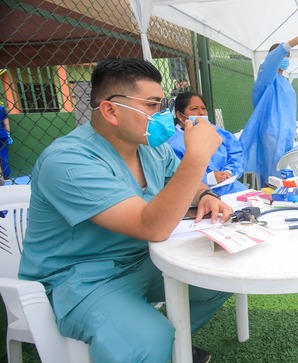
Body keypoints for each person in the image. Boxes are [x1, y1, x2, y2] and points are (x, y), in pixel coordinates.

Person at [19, 57, 234, 363]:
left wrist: (207, 194)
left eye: (162, 104)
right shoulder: (66, 160)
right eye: (151, 105)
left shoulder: (151, 146)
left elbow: (185, 183)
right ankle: (154, 345)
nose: (161, 115)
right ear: (110, 110)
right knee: (147, 339)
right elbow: (151, 226)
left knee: (219, 278)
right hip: (81, 278)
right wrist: (197, 155)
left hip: (143, 260)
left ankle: (170, 349)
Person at [240, 29, 298, 186]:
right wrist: (292, 43)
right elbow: (270, 63)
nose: (285, 58)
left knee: (284, 173)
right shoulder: (267, 79)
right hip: (272, 135)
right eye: (283, 55)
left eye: (287, 56)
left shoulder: (284, 82)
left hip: (286, 134)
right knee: (272, 176)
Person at [168, 91, 247, 195]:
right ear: (180, 116)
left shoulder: (217, 132)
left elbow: (236, 152)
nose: (201, 113)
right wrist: (208, 179)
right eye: (194, 109)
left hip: (232, 187)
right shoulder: (172, 142)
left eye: (203, 108)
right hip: (199, 196)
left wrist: (229, 171)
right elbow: (174, 176)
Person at [0, 102, 12, 178]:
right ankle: (6, 175)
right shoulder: (1, 108)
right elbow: (6, 123)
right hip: (2, 134)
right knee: (4, 155)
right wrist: (8, 134)